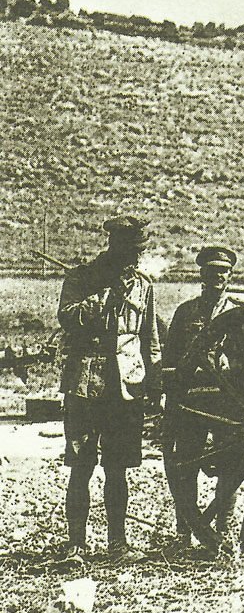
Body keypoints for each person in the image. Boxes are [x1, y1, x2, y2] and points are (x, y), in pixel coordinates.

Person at [57, 215, 161, 564]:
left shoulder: (143, 286)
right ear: (112, 247)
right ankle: (76, 546)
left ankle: (117, 545)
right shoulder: (83, 278)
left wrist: (155, 385)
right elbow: (67, 318)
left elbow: (150, 340)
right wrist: (103, 297)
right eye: (130, 251)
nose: (135, 259)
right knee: (81, 465)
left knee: (117, 467)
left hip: (126, 388)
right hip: (86, 384)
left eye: (139, 252)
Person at [162, 245, 238, 551]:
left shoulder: (238, 312)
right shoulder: (186, 313)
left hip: (227, 401)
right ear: (202, 276)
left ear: (230, 276)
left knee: (229, 466)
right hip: (192, 401)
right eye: (212, 271)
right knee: (186, 464)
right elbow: (170, 359)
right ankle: (185, 531)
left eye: (223, 272)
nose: (218, 277)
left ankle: (223, 532)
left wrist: (231, 365)